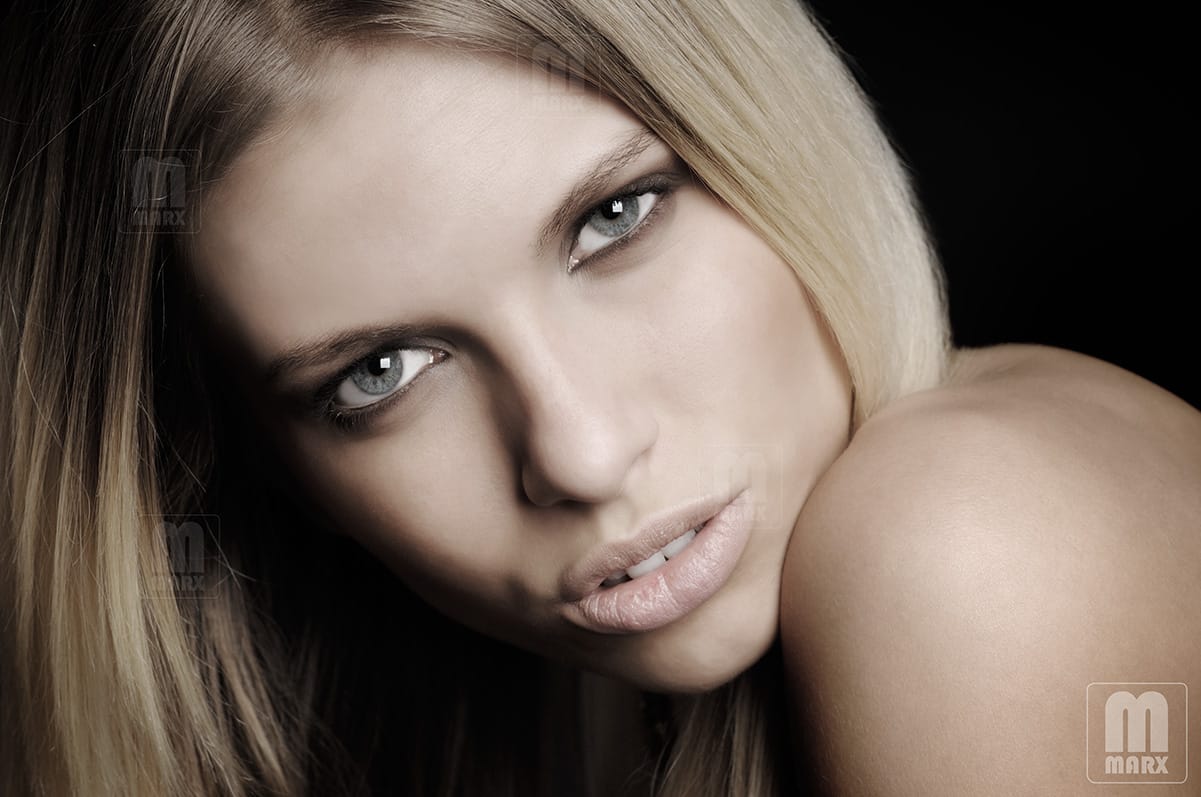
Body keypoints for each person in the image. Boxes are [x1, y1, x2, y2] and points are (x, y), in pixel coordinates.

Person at [1, 1, 1197, 795]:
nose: (578, 450)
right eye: (382, 372)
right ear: (273, 465)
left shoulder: (968, 540)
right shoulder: (561, 709)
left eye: (614, 220)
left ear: (764, 134)